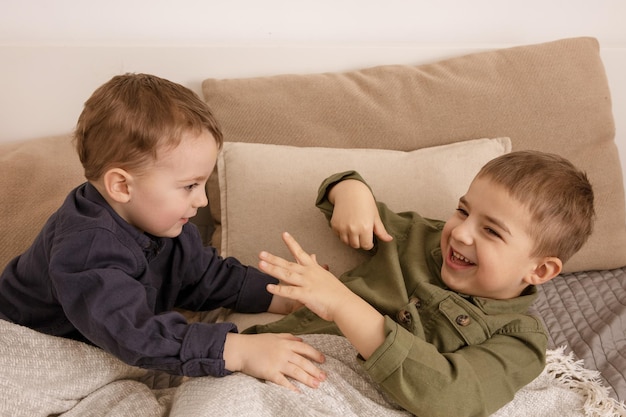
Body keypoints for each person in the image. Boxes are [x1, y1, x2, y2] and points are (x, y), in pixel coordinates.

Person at [0, 73, 326, 392]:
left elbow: (205, 277)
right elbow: (131, 332)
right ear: (122, 185)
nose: (201, 200)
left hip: (102, 340)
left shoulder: (168, 224)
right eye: (189, 186)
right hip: (32, 340)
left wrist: (278, 295)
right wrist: (236, 350)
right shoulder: (86, 245)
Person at [250, 151, 595, 416]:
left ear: (541, 270)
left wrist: (341, 302)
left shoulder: (519, 340)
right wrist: (350, 191)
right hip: (288, 356)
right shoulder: (415, 236)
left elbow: (449, 396)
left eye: (490, 230)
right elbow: (340, 195)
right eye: (462, 211)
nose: (460, 232)